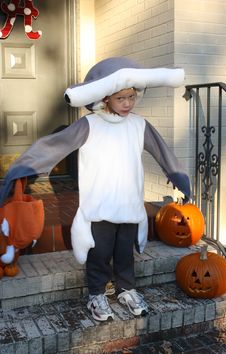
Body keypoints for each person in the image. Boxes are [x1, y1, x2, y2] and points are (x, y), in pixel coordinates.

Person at [0, 57, 191, 322]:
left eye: (132, 97)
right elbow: (54, 145)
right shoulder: (88, 125)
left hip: (129, 206)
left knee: (125, 253)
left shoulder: (139, 125)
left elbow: (162, 152)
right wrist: (24, 167)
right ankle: (97, 295)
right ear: (105, 98)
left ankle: (127, 289)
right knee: (99, 253)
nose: (128, 104)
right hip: (99, 207)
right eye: (121, 98)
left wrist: (178, 175)